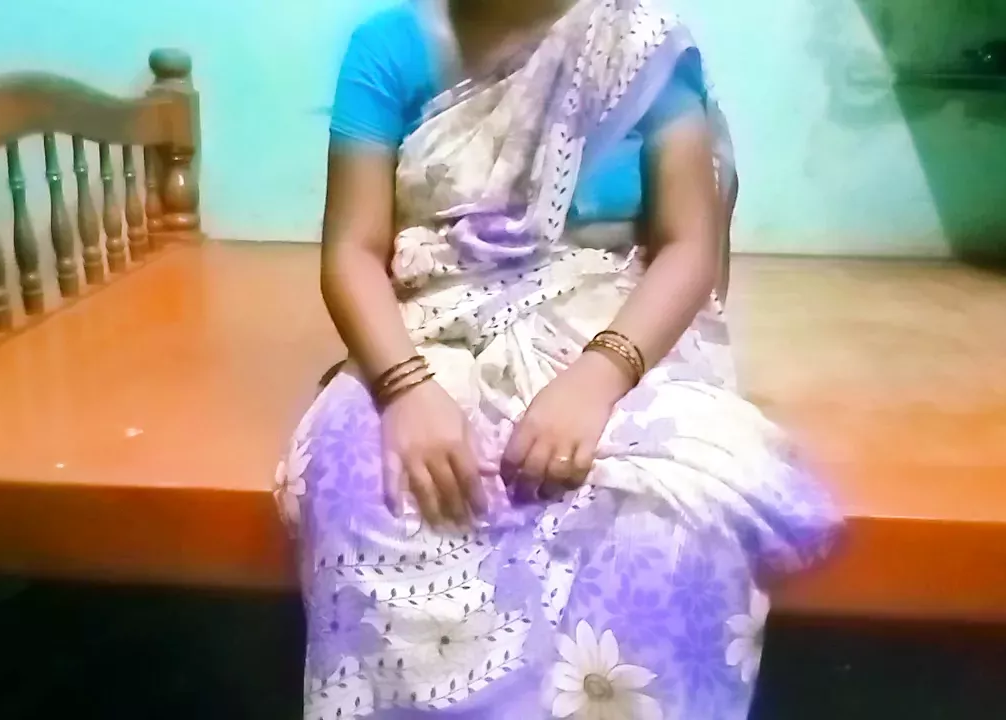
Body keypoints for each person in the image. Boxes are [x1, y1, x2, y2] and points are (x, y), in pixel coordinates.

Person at [275, 0, 841, 717]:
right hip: (431, 331)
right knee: (369, 479)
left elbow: (688, 247)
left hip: (611, 328)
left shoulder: (641, 46)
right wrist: (406, 390)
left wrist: (597, 380)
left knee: (673, 512)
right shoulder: (388, 48)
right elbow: (352, 252)